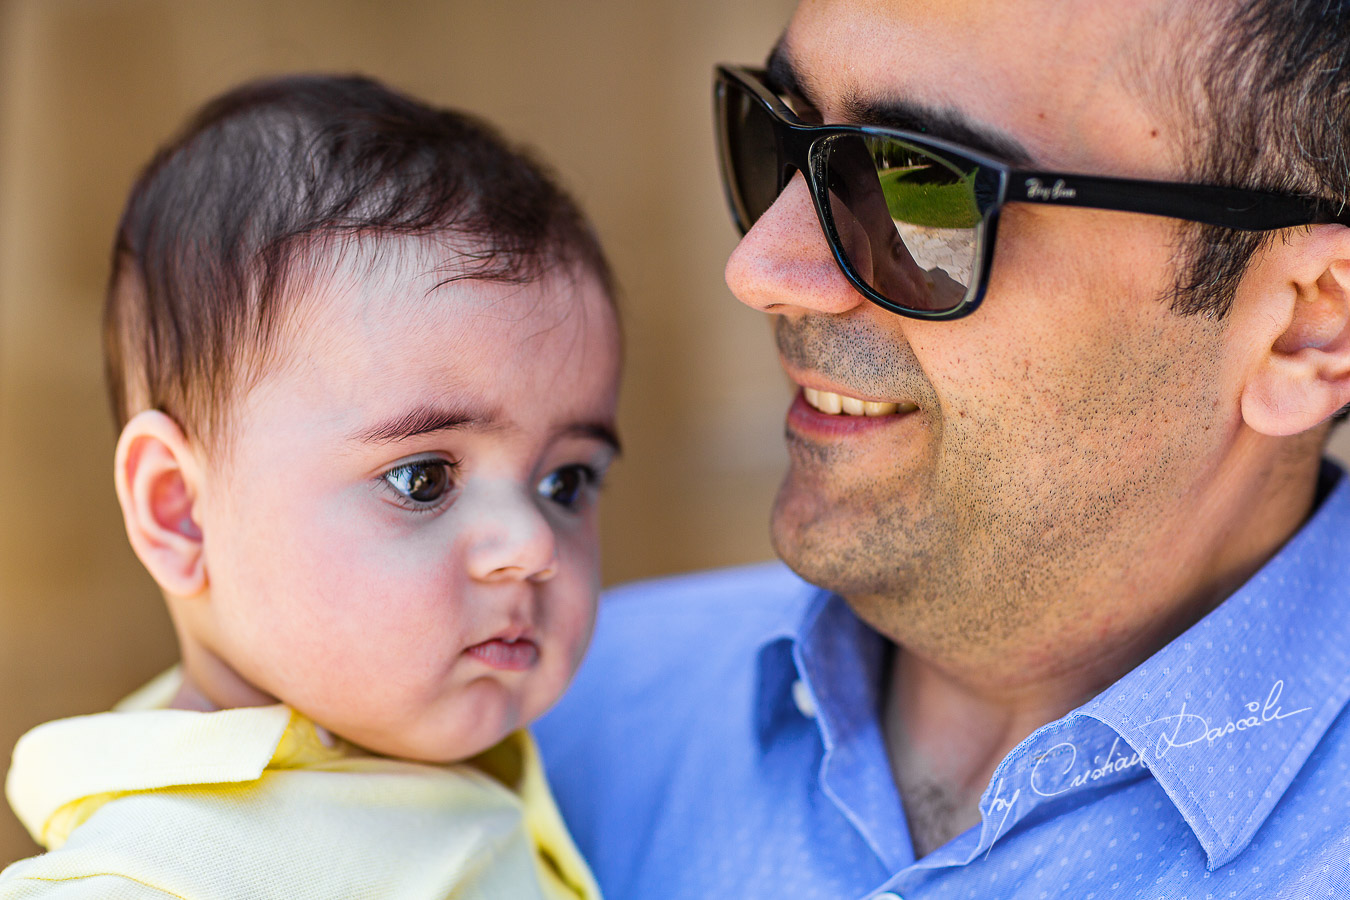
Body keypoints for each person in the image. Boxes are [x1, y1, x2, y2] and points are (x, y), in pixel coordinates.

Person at [535, 0, 1350, 896]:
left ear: (1308, 326)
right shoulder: (555, 724)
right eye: (778, 130)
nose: (762, 268)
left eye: (919, 182)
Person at [0, 75, 619, 899]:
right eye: (423, 478)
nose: (533, 546)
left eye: (566, 480)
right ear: (181, 513)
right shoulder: (155, 875)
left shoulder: (488, 761)